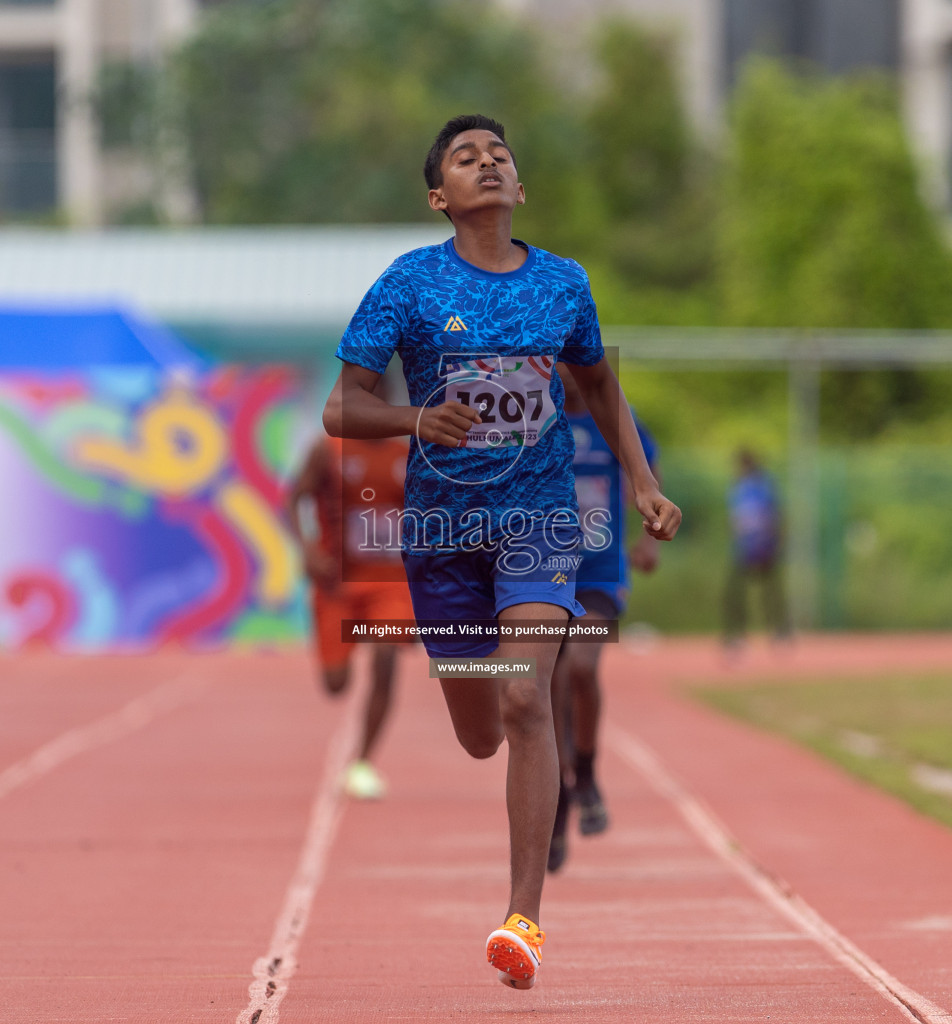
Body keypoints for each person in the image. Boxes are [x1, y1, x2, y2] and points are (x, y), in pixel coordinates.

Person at [321, 113, 681, 990]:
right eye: (466, 159)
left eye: (500, 155)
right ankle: (485, 715)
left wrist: (640, 483)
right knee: (482, 731)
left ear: (519, 187)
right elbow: (341, 408)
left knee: (526, 695)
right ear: (440, 197)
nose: (489, 164)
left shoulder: (564, 284)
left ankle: (524, 920)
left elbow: (598, 383)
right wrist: (416, 418)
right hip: (444, 536)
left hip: (538, 520)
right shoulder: (407, 284)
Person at [546, 369, 660, 872]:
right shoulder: (533, 420)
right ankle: (554, 801)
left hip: (599, 573)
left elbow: (647, 477)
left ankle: (586, 773)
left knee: (581, 667)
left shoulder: (616, 419)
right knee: (545, 688)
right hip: (542, 573)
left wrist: (646, 535)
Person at [286, 425, 414, 799]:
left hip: (392, 584)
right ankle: (354, 640)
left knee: (386, 660)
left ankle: (363, 762)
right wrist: (308, 549)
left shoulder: (408, 456)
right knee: (335, 683)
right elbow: (295, 497)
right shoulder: (327, 450)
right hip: (338, 586)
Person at [722, 448, 790, 654]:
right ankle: (737, 634)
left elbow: (776, 515)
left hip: (764, 546)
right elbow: (735, 521)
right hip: (744, 549)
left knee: (770, 593)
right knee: (737, 594)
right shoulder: (738, 488)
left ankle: (779, 631)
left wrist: (775, 543)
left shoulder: (764, 485)